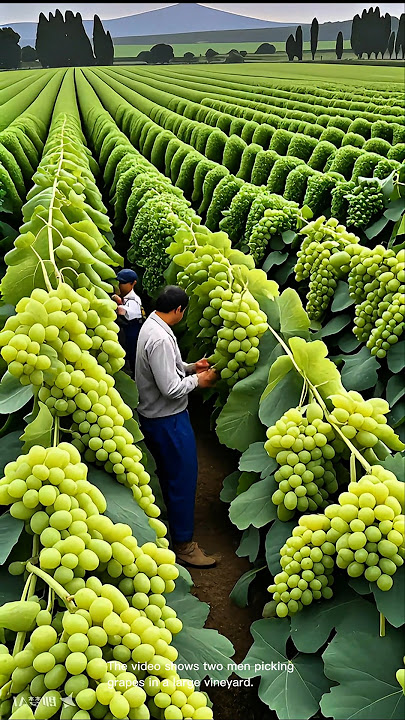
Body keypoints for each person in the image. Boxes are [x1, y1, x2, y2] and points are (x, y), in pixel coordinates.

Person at [135, 285, 218, 568]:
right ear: (179, 310)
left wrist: (192, 367)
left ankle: (174, 532)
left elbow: (168, 367)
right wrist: (200, 381)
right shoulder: (159, 338)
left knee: (173, 475)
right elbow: (170, 388)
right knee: (182, 477)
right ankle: (184, 545)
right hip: (166, 419)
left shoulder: (153, 324)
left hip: (160, 416)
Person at [113, 269, 145, 378]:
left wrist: (114, 304)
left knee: (133, 356)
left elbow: (123, 311)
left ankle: (135, 377)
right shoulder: (125, 298)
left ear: (133, 283)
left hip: (133, 332)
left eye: (123, 283)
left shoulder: (134, 300)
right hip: (127, 331)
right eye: (119, 282)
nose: (120, 285)